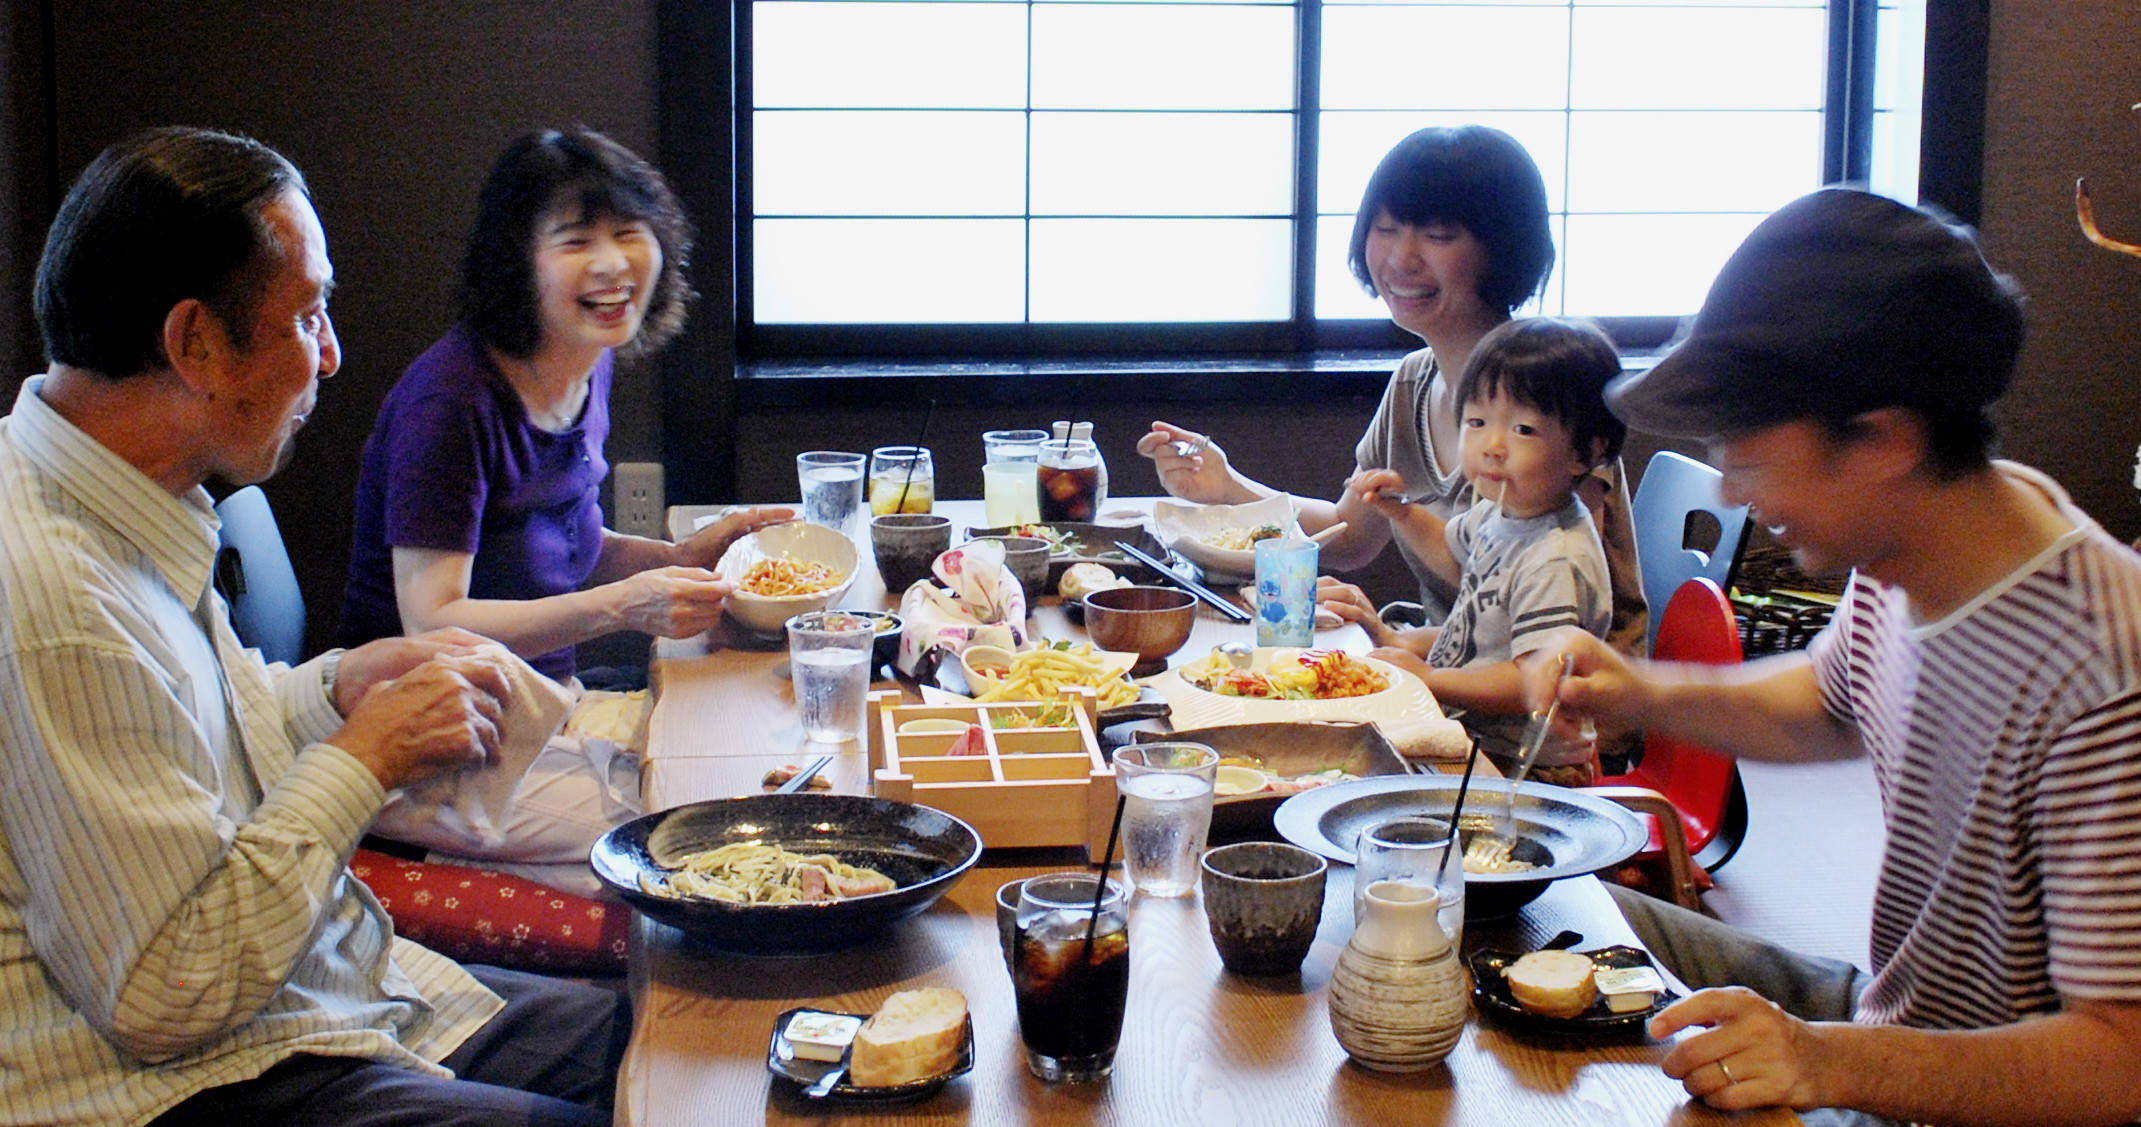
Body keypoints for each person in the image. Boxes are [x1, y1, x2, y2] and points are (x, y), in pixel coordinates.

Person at [0, 127, 627, 1126]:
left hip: (312, 990)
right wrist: (364, 754)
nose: (331, 355)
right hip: (182, 1079)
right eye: (307, 314)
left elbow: (190, 727)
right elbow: (167, 991)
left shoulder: (116, 490)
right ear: (193, 342)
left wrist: (336, 686)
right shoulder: (56, 598)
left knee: (664, 1040)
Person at [1523, 188, 2141, 1125]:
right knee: (1543, 902)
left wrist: (1824, 1062)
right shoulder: (1914, 546)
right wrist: (1641, 691)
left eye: (1749, 452)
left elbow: (2118, 1059)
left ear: (1883, 438)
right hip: (1896, 1010)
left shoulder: (2102, 669)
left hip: (1980, 1088)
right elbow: (1826, 700)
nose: (1731, 486)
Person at [338, 128, 787, 890]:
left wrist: (675, 561)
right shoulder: (451, 401)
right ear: (515, 262)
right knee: (688, 856)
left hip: (547, 709)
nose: (612, 264)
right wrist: (623, 607)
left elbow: (562, 540)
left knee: (749, 778)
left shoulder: (587, 362)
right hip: (436, 738)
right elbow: (434, 619)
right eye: (576, 240)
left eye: (627, 233)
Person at [1136, 125, 1647, 656]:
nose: (1401, 258)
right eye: (1385, 228)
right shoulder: (1414, 381)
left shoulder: (1553, 396)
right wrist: (1226, 484)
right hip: (1451, 670)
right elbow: (1350, 535)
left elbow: (1558, 638)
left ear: (1503, 247)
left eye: (1438, 236)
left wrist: (1403, 653)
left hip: (1550, 715)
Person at [1352, 316, 1621, 783]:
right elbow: (1452, 558)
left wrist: (1428, 676)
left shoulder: (1554, 556)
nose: (1492, 445)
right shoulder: (1500, 511)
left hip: (1529, 768)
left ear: (1585, 452)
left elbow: (1528, 681)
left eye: (1523, 430)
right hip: (1475, 735)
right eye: (1476, 422)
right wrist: (1402, 512)